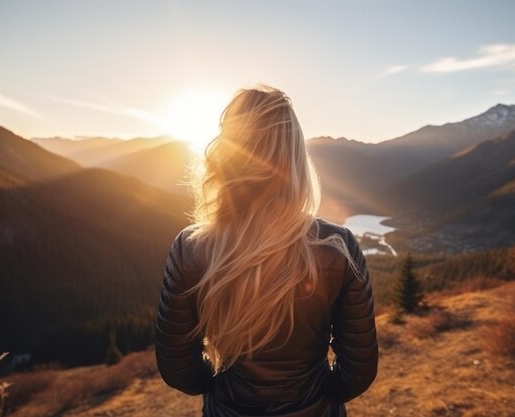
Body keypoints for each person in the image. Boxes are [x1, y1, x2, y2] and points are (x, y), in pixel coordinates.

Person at [155, 85, 378, 417]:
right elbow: (358, 372)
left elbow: (178, 369)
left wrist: (218, 387)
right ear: (295, 159)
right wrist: (319, 396)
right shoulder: (337, 246)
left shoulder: (191, 248)